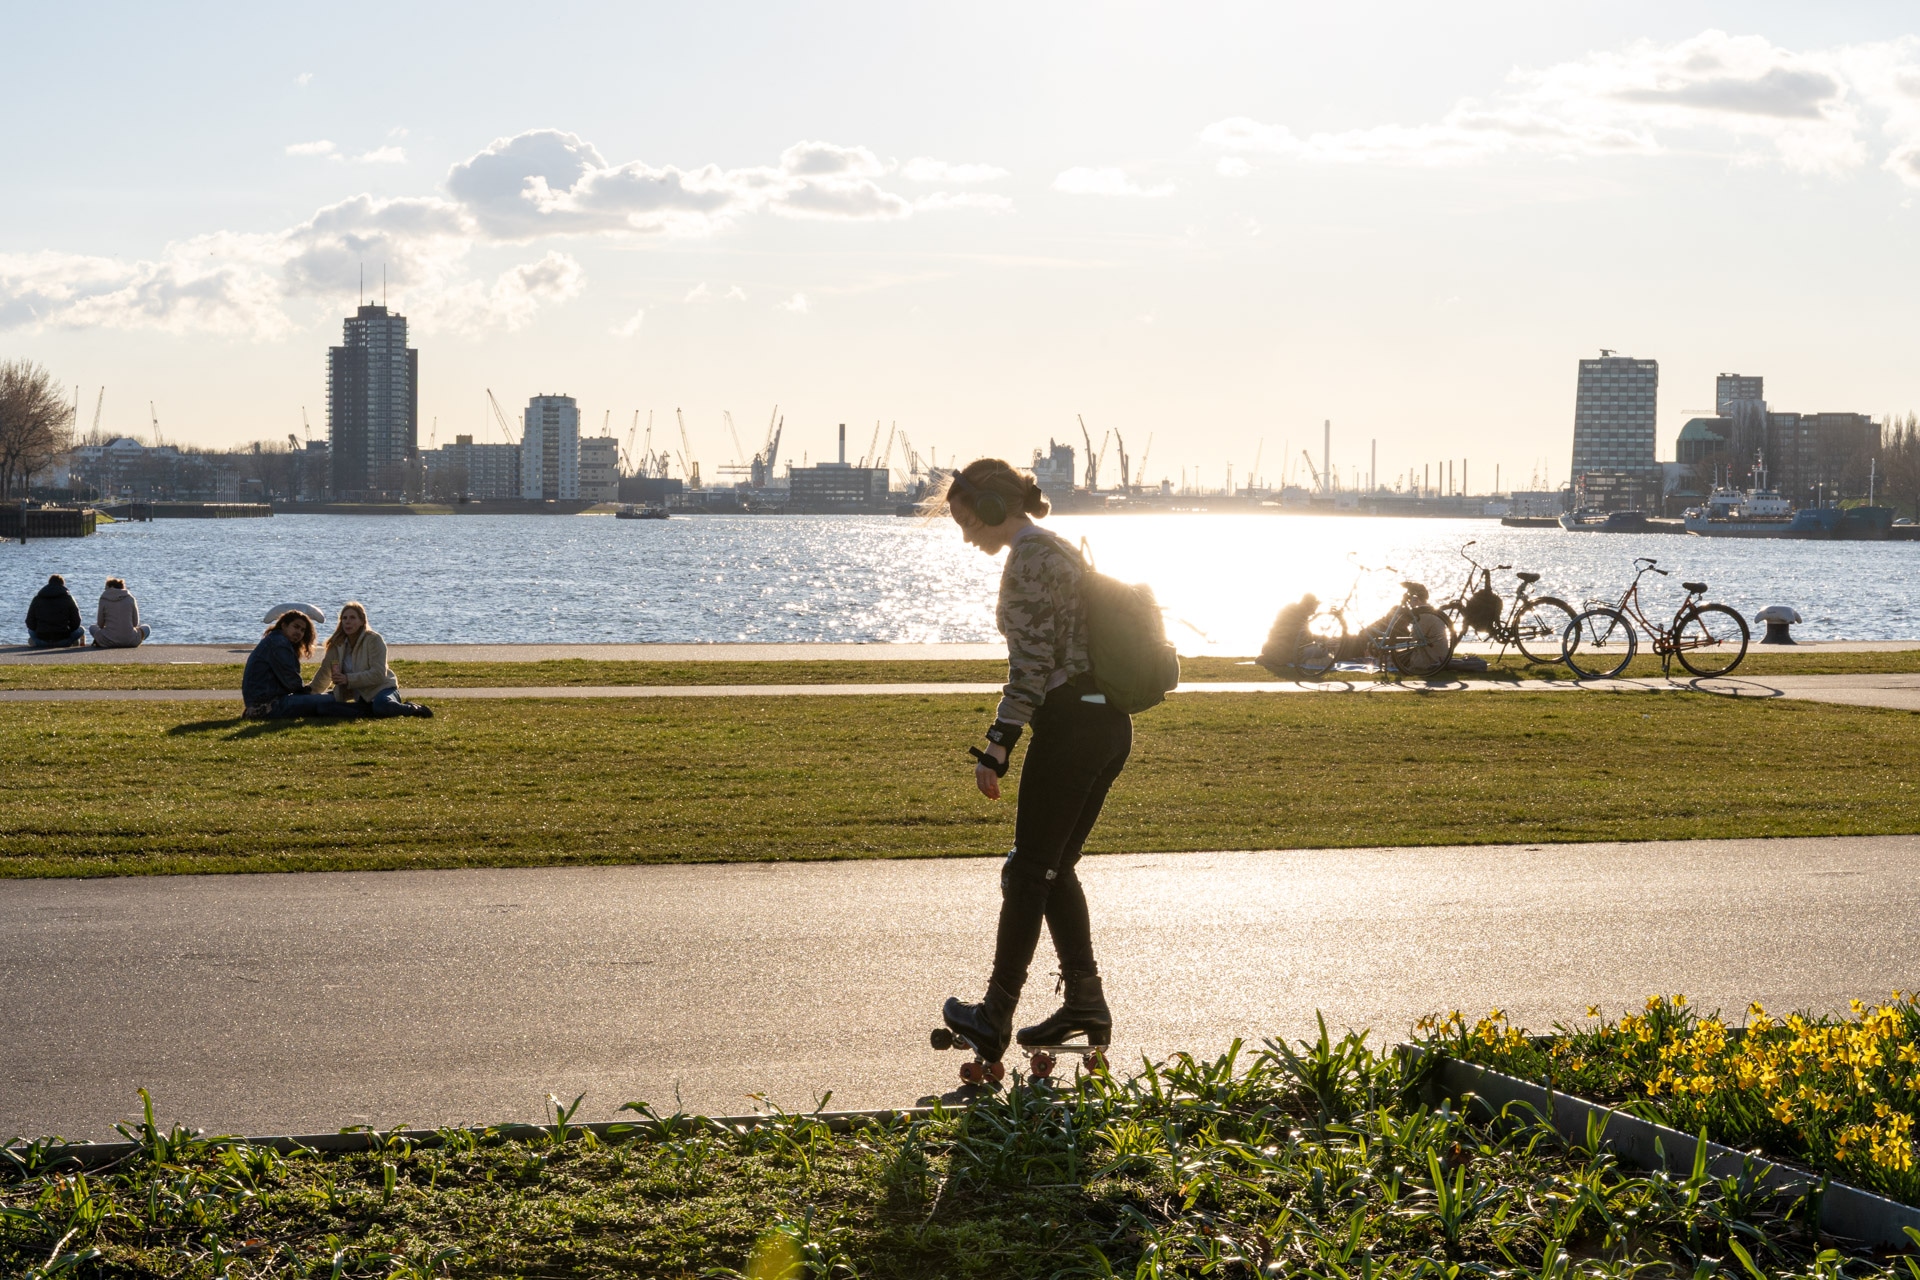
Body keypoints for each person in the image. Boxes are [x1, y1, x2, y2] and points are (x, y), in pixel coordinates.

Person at [940, 457, 1131, 1067]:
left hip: (1072, 727)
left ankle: (994, 1016)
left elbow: (1031, 669)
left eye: (965, 518)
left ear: (993, 509)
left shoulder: (1027, 563)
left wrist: (997, 745)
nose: (964, 532)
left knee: (1026, 873)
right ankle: (1084, 1004)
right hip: (1108, 727)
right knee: (1052, 870)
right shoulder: (1061, 549)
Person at [310, 601, 432, 718]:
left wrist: (348, 679)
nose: (348, 622)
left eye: (352, 618)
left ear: (362, 621)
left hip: (383, 690)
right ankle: (369, 710)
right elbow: (324, 673)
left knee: (381, 706)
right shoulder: (337, 644)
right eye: (344, 618)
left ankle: (413, 709)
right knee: (323, 708)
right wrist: (310, 691)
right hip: (361, 696)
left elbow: (378, 674)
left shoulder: (373, 640)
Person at [241, 610, 355, 719]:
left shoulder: (274, 640)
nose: (299, 632)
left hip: (260, 704)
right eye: (296, 627)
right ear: (284, 625)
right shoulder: (279, 644)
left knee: (325, 698)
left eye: (302, 630)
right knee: (329, 700)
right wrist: (307, 692)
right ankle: (361, 709)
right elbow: (293, 683)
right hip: (268, 706)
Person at [24, 574, 85, 648]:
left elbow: (29, 622)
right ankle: (73, 645)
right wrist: (68, 631)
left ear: (49, 584)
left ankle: (36, 642)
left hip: (42, 640)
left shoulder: (37, 599)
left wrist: (39, 631)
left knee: (30, 631)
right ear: (62, 584)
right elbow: (76, 621)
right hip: (63, 640)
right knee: (81, 630)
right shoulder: (68, 599)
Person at [88, 577, 151, 648]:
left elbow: (100, 624)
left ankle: (100, 642)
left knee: (92, 627)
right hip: (131, 641)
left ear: (110, 587)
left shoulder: (103, 599)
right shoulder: (130, 598)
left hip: (108, 641)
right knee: (147, 628)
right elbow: (135, 623)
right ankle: (132, 641)